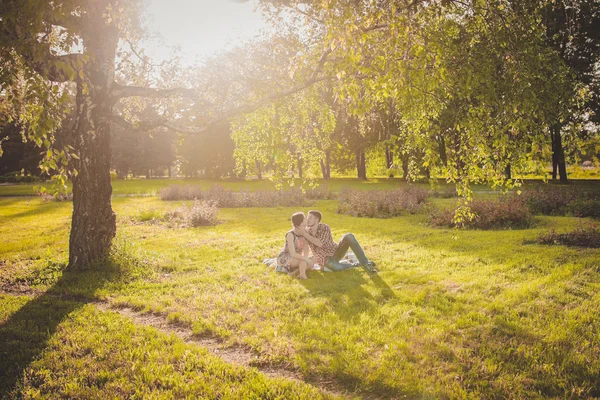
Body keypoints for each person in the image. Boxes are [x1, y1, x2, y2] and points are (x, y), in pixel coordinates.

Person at [300, 210, 377, 273]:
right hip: (325, 260)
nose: (307, 220)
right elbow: (303, 246)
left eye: (310, 218)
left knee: (349, 236)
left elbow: (320, 243)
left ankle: (366, 264)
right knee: (336, 268)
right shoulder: (306, 232)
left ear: (316, 219)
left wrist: (305, 234)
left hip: (336, 252)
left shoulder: (325, 227)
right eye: (307, 217)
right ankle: (359, 264)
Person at [277, 212, 314, 279]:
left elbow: (306, 248)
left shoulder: (305, 231)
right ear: (298, 224)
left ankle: (294, 273)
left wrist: (306, 258)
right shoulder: (290, 234)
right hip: (286, 257)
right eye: (304, 219)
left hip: (298, 257)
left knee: (315, 258)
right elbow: (293, 253)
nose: (306, 220)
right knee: (305, 261)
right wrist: (306, 259)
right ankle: (303, 275)